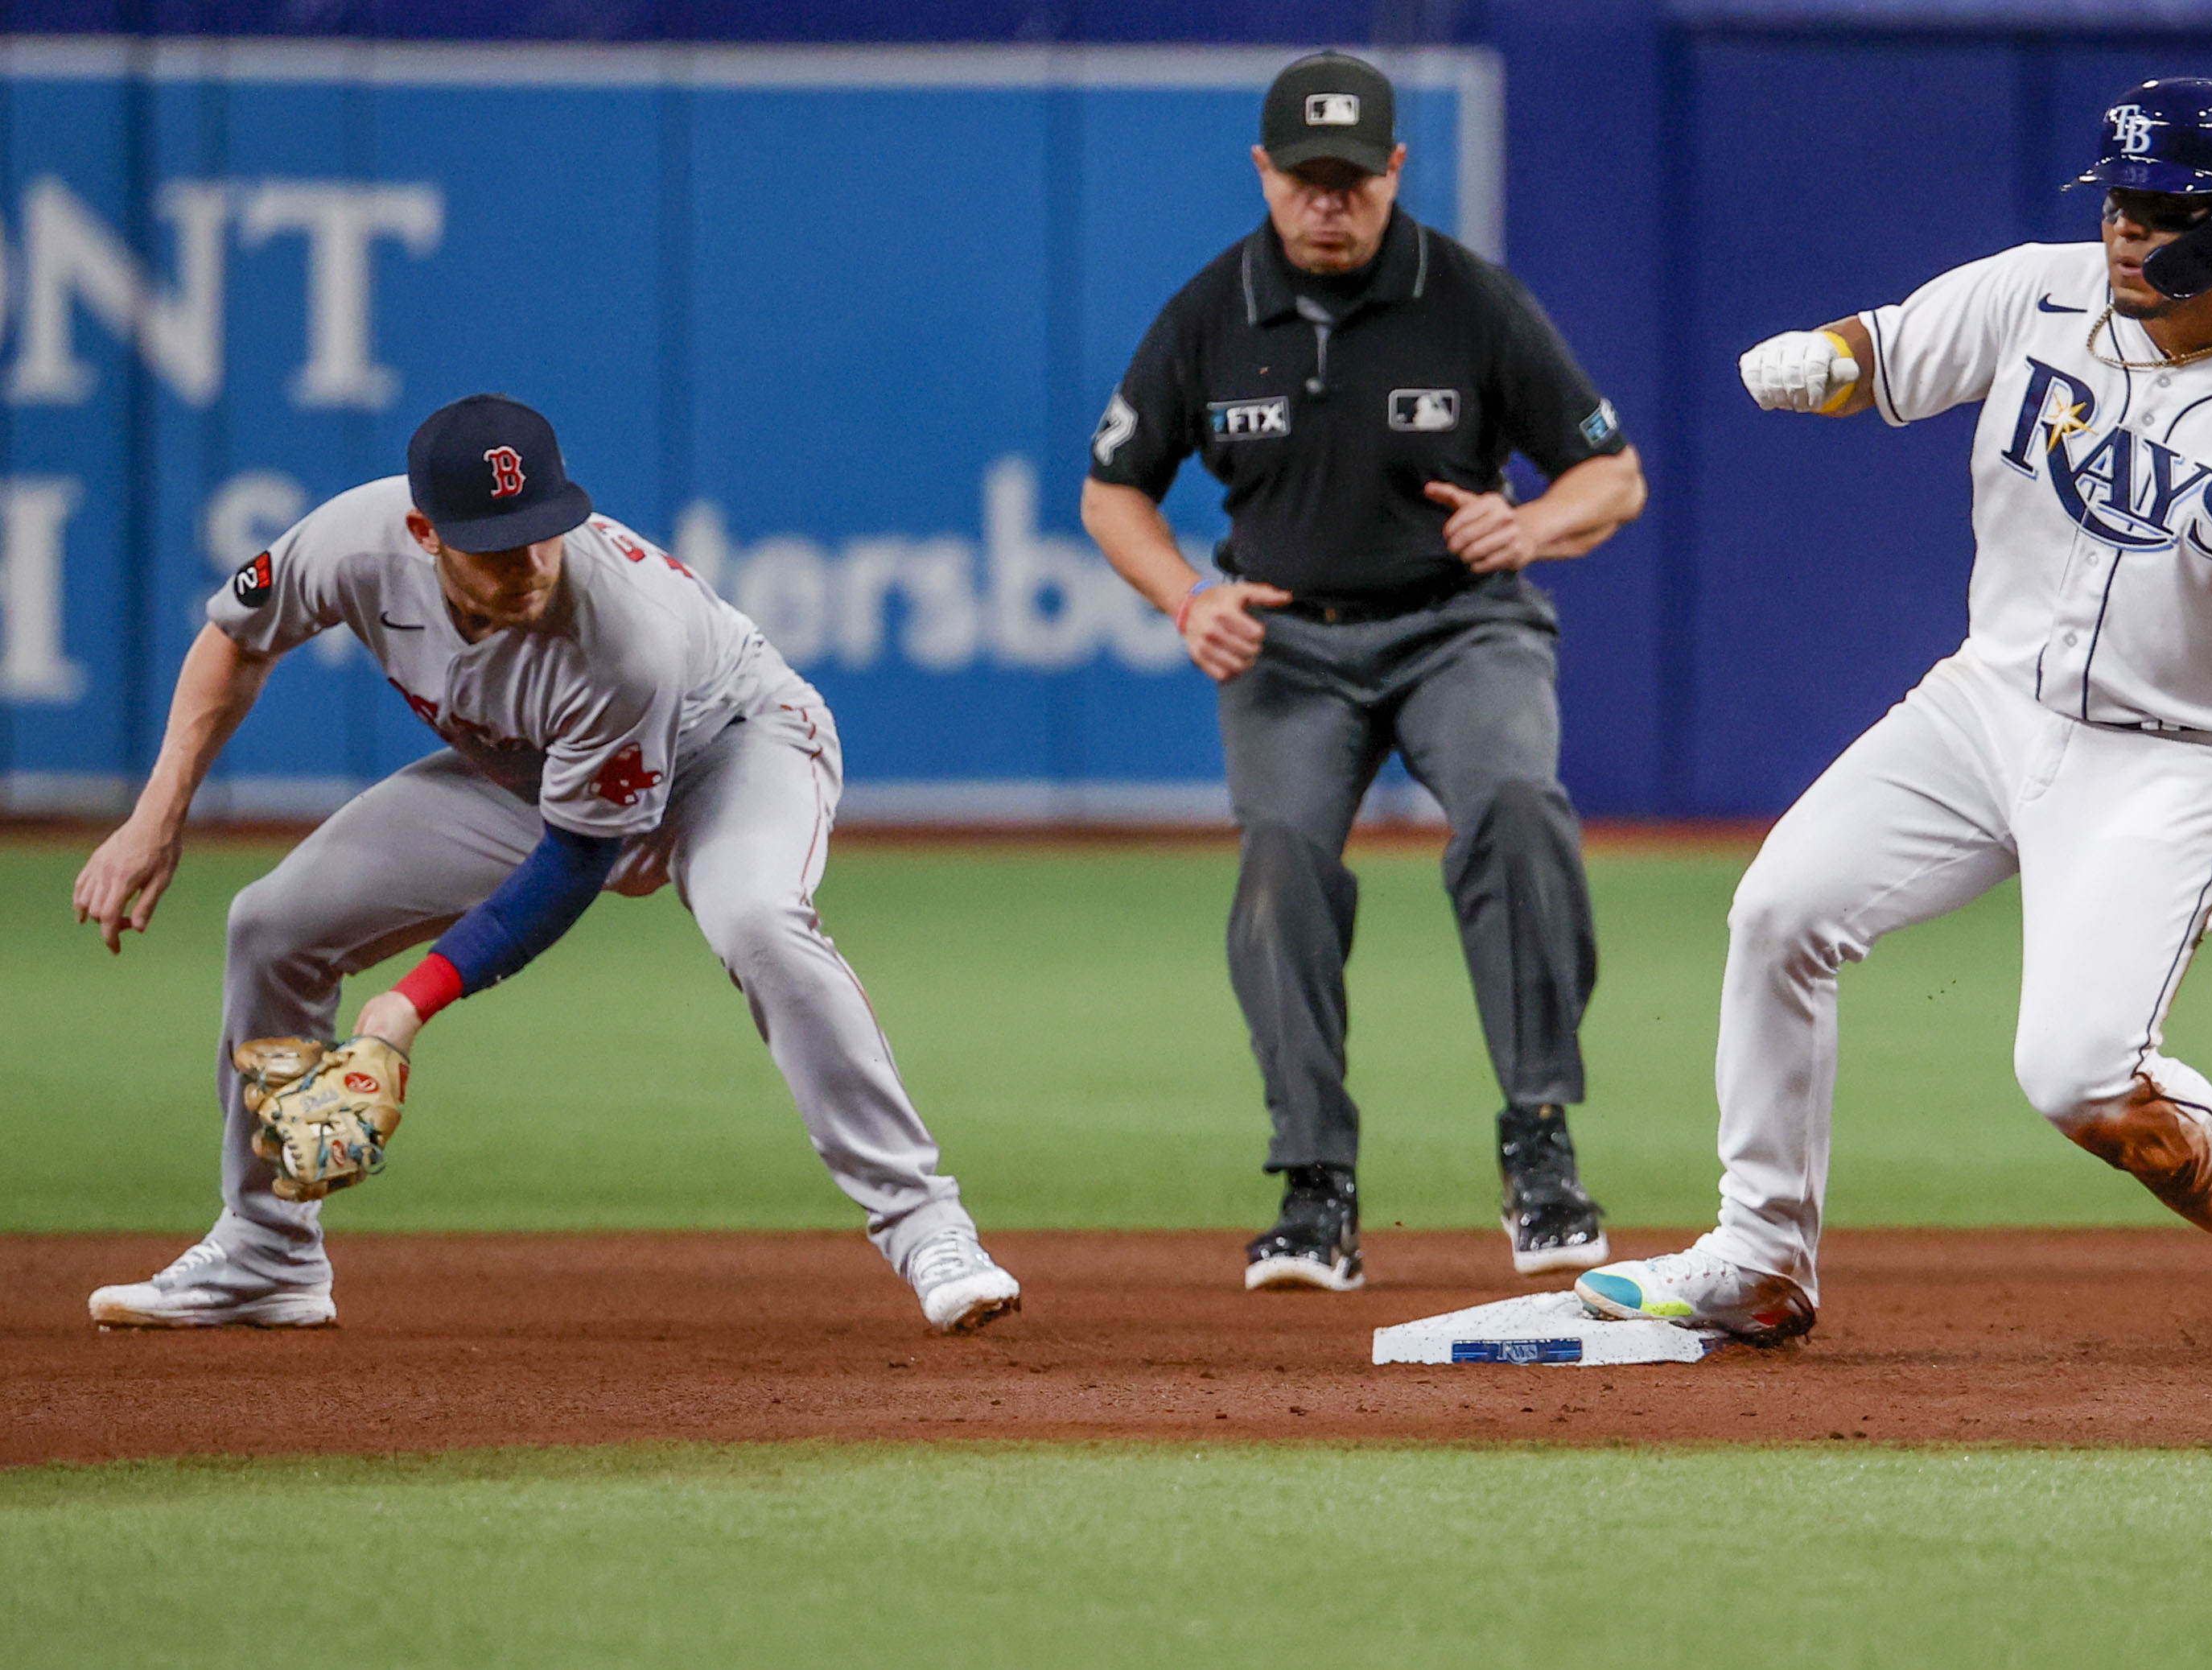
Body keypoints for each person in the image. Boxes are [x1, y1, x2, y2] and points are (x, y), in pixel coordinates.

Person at [1578, 78, 2212, 1351]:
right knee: (1779, 909)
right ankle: (1762, 1254)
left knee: (2080, 1078)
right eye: (2117, 204)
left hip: (2177, 762)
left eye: (2159, 210)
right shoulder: (2044, 289)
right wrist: (1823, 361)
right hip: (1988, 702)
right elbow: (1884, 347)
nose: (2125, 234)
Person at [76, 394, 1022, 1334]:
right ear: (424, 532)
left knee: (756, 918)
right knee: (272, 925)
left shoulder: (622, 632)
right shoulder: (351, 544)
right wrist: (156, 818)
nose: (532, 562)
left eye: (544, 530)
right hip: (536, 772)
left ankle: (928, 1228)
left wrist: (406, 1006)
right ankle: (266, 1252)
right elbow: (233, 641)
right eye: (497, 543)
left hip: (732, 746)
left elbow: (575, 862)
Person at [1082, 51, 1649, 1290]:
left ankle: (1539, 1143)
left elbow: (1614, 473)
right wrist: (1187, 594)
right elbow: (1113, 489)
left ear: (1395, 170)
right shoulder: (1210, 311)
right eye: (1304, 178)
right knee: (1280, 856)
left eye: (1351, 178)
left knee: (1514, 809)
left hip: (1462, 623)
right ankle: (1314, 1183)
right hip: (1289, 637)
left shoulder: (1471, 298)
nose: (1326, 202)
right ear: (1264, 174)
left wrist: (1534, 524)